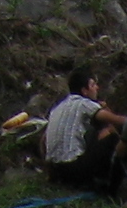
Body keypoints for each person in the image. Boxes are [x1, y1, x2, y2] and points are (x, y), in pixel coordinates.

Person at [39, 62, 116, 190]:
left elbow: (43, 141)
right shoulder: (84, 104)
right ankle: (107, 183)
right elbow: (115, 120)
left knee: (90, 132)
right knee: (111, 134)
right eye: (93, 85)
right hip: (73, 169)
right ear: (84, 91)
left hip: (55, 170)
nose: (97, 88)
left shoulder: (58, 107)